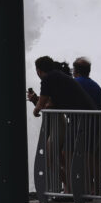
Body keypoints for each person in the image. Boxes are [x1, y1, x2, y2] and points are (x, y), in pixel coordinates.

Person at [27, 56, 96, 194]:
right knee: (67, 157)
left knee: (54, 157)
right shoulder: (59, 77)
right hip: (87, 118)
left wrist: (35, 108)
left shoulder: (48, 79)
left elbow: (43, 104)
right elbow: (50, 104)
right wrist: (37, 101)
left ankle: (73, 188)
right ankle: (78, 187)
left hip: (81, 120)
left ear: (39, 71)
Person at [72, 57, 101, 193]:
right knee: (97, 157)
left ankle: (87, 189)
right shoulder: (96, 85)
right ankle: (96, 188)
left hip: (86, 125)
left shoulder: (75, 83)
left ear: (76, 71)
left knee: (87, 156)